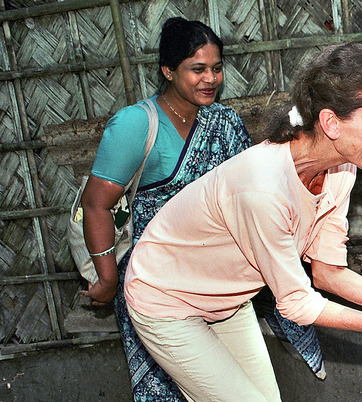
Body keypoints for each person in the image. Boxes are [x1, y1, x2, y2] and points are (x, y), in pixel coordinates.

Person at [123, 42, 362, 401]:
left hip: (224, 298)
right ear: (331, 122)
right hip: (164, 297)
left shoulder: (342, 167)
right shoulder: (263, 187)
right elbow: (298, 304)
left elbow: (327, 272)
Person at [79, 17, 252, 400]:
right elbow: (95, 206)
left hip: (219, 283)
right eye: (198, 69)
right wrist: (108, 281)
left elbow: (247, 200)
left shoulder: (223, 123)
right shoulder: (136, 125)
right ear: (168, 71)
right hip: (158, 282)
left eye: (217, 68)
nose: (211, 79)